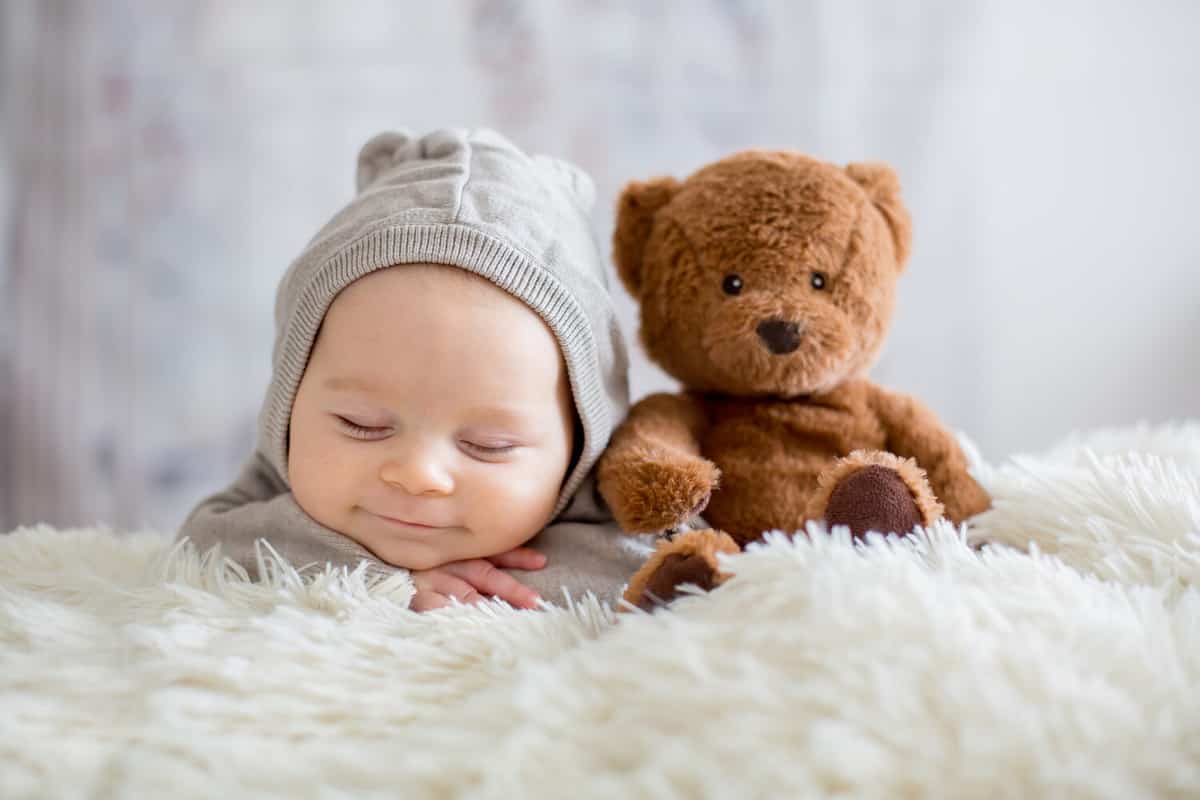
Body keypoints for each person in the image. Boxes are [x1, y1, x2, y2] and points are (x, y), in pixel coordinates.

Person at [176, 128, 646, 611]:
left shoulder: (622, 499)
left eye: (488, 446)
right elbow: (205, 543)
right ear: (291, 399)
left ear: (580, 440)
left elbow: (661, 570)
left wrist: (493, 585)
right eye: (361, 424)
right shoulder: (270, 488)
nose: (418, 474)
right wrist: (384, 580)